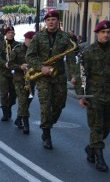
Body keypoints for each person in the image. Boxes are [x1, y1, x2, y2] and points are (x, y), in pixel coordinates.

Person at [75, 20, 110, 172]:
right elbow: (81, 75)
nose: (106, 35)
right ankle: (100, 159)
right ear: (97, 33)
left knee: (106, 127)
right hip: (94, 94)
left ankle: (91, 147)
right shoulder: (88, 51)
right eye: (103, 32)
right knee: (97, 126)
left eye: (108, 32)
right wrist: (82, 95)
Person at [26, 10, 76, 149]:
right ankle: (46, 133)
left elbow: (71, 58)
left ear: (58, 21)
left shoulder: (65, 37)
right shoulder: (38, 37)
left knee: (60, 105)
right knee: (46, 105)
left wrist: (74, 75)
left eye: (53, 19)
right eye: (48, 20)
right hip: (43, 77)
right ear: (45, 22)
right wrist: (41, 67)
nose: (51, 22)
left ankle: (49, 123)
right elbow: (29, 56)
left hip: (59, 76)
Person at [9, 30, 35, 134]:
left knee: (29, 99)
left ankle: (19, 118)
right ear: (26, 39)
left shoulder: (37, 50)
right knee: (23, 101)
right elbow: (10, 64)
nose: (32, 42)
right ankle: (26, 123)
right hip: (19, 79)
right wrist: (20, 66)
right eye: (30, 40)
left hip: (32, 79)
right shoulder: (17, 49)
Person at [0, 26, 18, 121]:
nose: (11, 34)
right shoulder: (1, 45)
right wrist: (5, 63)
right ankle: (5, 112)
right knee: (4, 92)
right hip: (3, 72)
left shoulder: (18, 45)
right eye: (9, 33)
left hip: (15, 73)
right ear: (5, 34)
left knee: (13, 93)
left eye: (12, 32)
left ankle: (9, 106)